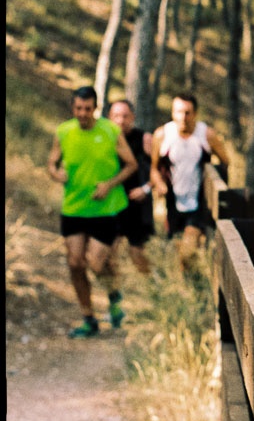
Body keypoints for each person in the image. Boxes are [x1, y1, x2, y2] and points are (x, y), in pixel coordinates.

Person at [47, 85, 138, 338]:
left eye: (87, 109)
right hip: (74, 208)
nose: (83, 114)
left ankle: (114, 295)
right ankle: (88, 318)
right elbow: (52, 163)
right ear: (72, 108)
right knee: (75, 263)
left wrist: (109, 184)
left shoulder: (110, 131)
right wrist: (56, 173)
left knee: (97, 263)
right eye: (78, 108)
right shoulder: (64, 132)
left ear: (95, 108)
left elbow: (131, 164)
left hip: (104, 210)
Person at [150, 93, 229, 272]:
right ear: (172, 112)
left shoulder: (207, 135)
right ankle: (191, 280)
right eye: (178, 112)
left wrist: (216, 185)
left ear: (195, 113)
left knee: (188, 248)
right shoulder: (162, 135)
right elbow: (154, 169)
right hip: (174, 201)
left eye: (187, 112)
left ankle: (192, 276)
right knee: (179, 250)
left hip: (199, 202)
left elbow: (225, 161)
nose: (183, 117)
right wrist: (160, 184)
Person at [108, 98, 155, 275]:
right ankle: (114, 287)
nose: (120, 120)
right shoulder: (106, 139)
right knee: (109, 251)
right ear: (109, 117)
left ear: (133, 117)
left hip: (138, 205)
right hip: (112, 202)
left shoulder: (145, 139)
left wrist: (146, 188)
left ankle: (151, 284)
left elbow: (160, 170)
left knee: (137, 254)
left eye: (125, 116)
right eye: (116, 116)